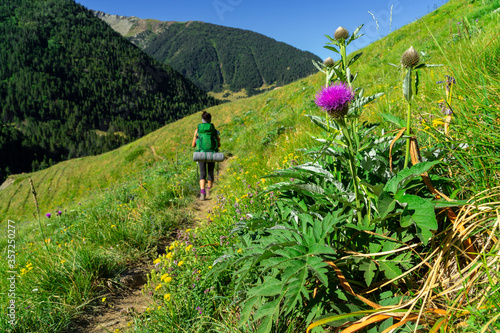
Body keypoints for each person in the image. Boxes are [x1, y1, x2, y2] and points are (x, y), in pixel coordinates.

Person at [191, 111, 220, 200]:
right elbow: (218, 145)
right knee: (210, 171)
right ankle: (209, 190)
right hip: (211, 154)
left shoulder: (198, 130)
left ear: (202, 120)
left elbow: (193, 145)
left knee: (202, 173)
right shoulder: (214, 130)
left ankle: (202, 193)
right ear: (210, 119)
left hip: (201, 154)